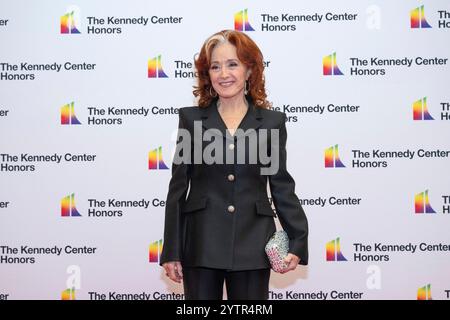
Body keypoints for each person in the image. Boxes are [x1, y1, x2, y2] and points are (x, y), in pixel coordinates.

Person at [160, 30, 308, 300]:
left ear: (249, 70)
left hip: (253, 244)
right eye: (215, 66)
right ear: (207, 74)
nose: (223, 74)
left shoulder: (271, 123)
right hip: (201, 243)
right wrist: (172, 250)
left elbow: (281, 187)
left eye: (232, 64)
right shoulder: (191, 120)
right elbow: (178, 189)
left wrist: (298, 241)